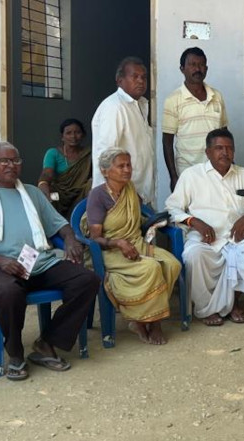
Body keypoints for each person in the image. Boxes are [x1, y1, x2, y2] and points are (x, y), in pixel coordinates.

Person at [0, 142, 100, 380]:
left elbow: (60, 225)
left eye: (16, 160)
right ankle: (15, 352)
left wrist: (70, 240)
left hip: (39, 262)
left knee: (87, 280)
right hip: (1, 267)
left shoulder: (31, 192)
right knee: (8, 293)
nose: (11, 165)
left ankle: (47, 342)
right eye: (4, 161)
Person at [166, 129, 244, 327]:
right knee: (194, 256)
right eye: (219, 148)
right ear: (208, 152)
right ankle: (206, 308)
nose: (224, 153)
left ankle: (234, 301)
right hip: (205, 238)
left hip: (238, 237)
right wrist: (193, 221)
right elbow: (172, 208)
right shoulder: (191, 176)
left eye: (229, 148)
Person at [82, 148, 181, 345]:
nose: (127, 169)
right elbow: (95, 238)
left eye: (128, 165)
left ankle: (146, 319)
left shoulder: (129, 189)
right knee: (151, 267)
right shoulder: (98, 196)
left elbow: (137, 217)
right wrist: (118, 243)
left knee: (172, 264)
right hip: (110, 251)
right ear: (105, 171)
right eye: (121, 166)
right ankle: (150, 322)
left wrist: (154, 223)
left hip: (136, 244)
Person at [163, 47, 229, 190]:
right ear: (182, 69)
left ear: (206, 68)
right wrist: (173, 176)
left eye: (201, 64)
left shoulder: (217, 96)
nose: (197, 69)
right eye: (192, 64)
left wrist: (229, 163)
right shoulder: (173, 100)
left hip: (216, 170)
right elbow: (167, 141)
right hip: (187, 171)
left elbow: (224, 134)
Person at [92, 56, 156, 201]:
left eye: (143, 77)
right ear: (120, 80)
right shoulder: (114, 107)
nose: (141, 81)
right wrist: (120, 192)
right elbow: (106, 156)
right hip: (118, 196)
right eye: (135, 76)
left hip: (139, 192)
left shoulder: (141, 105)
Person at [38, 118, 93, 217]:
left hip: (81, 194)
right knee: (51, 195)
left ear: (83, 135)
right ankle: (56, 223)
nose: (73, 136)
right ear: (62, 137)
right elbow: (47, 173)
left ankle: (85, 221)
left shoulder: (89, 154)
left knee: (91, 185)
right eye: (68, 133)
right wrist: (43, 183)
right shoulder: (53, 153)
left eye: (77, 132)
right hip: (60, 195)